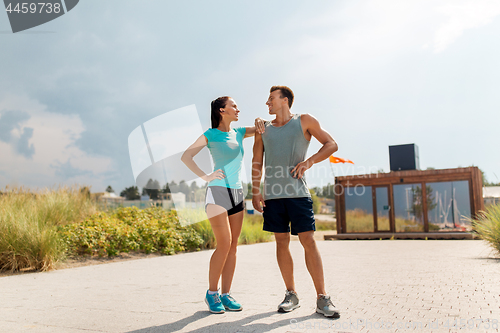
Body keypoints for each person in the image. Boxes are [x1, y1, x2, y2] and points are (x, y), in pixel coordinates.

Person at [251, 86, 340, 318]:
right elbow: (256, 161)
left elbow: (331, 144)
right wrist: (255, 191)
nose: (267, 103)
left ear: (285, 100)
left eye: (271, 98)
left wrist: (308, 162)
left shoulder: (305, 121)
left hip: (298, 194)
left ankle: (322, 298)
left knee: (308, 240)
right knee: (281, 243)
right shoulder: (263, 129)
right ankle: (291, 294)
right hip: (272, 196)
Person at [181, 96, 265, 314]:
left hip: (238, 193)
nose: (238, 109)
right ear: (221, 110)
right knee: (224, 244)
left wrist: (259, 119)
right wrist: (206, 176)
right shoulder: (211, 135)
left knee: (234, 246)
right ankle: (212, 293)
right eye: (234, 106)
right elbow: (186, 156)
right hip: (217, 192)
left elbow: (264, 126)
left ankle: (226, 295)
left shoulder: (238, 133)